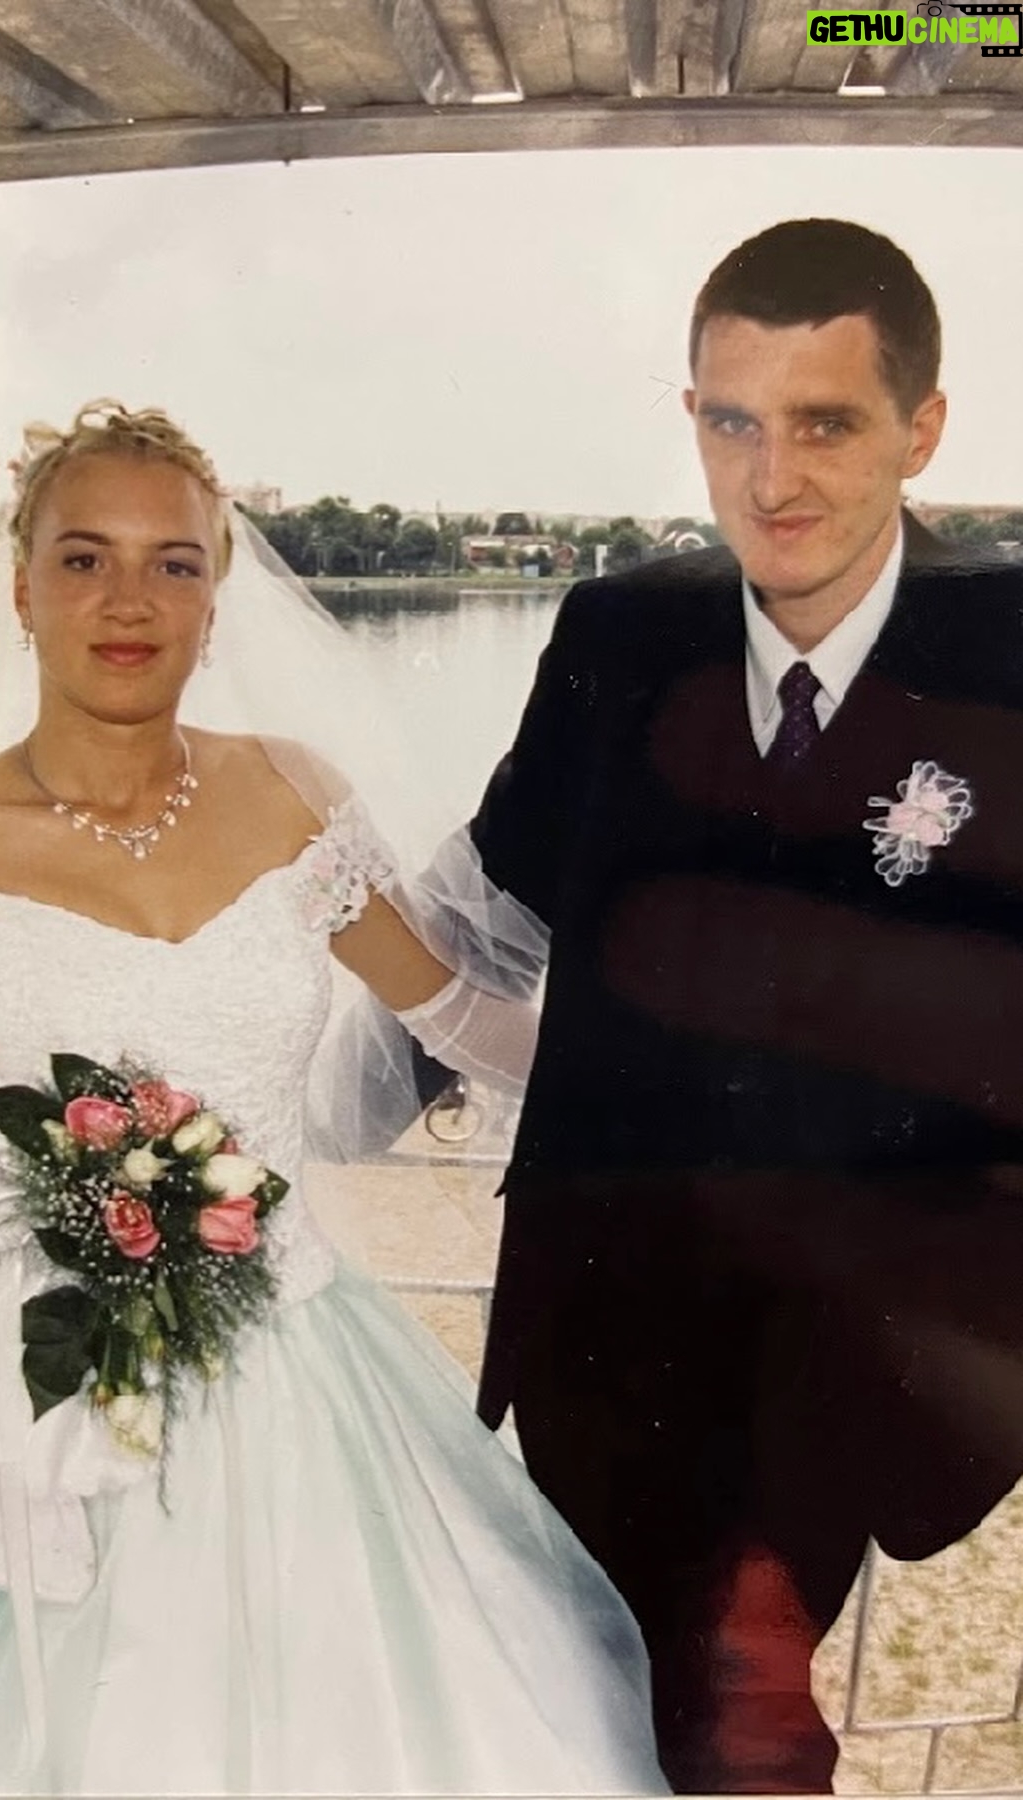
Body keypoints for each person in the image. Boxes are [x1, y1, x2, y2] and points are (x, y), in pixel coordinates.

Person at [0, 402, 664, 1796]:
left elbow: (449, 1010)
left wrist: (661, 1087)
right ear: (19, 589)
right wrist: (36, 1211)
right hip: (32, 1362)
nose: (130, 601)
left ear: (218, 598)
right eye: (85, 559)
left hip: (297, 1358)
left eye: (175, 563)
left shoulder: (294, 794)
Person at [469, 218, 1023, 1794]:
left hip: (861, 1343)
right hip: (598, 1315)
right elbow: (490, 912)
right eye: (732, 422)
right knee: (588, 1719)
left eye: (825, 423)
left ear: (922, 428)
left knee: (740, 1725)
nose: (770, 479)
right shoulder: (616, 633)